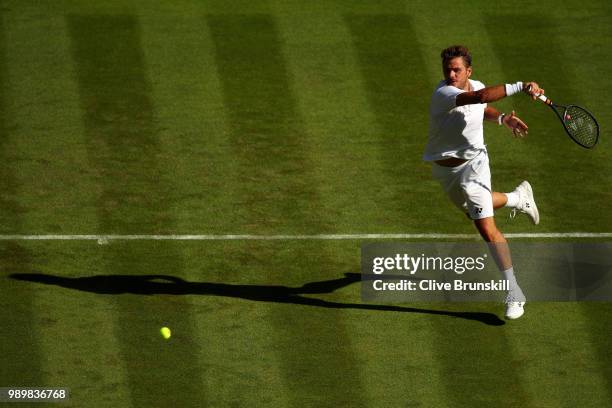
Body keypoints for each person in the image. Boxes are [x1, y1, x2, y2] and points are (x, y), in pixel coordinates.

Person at [423, 45, 542, 319]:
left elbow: (482, 106)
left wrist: (501, 118)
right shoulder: (444, 94)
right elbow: (479, 97)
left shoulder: (473, 87)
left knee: (486, 228)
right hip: (446, 172)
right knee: (474, 211)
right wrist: (521, 86)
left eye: (457, 70)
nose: (451, 74)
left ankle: (514, 292)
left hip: (475, 165)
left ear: (469, 71)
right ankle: (517, 198)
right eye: (448, 70)